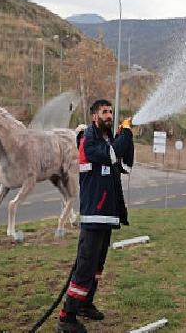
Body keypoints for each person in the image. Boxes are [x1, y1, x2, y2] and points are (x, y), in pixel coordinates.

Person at [57, 99, 134, 333]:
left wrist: (126, 136)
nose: (109, 115)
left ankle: (85, 304)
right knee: (85, 267)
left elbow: (125, 166)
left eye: (111, 112)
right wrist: (125, 136)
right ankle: (66, 317)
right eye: (104, 112)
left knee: (97, 266)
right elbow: (110, 155)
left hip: (108, 215)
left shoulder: (109, 139)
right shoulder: (87, 138)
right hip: (94, 215)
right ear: (94, 116)